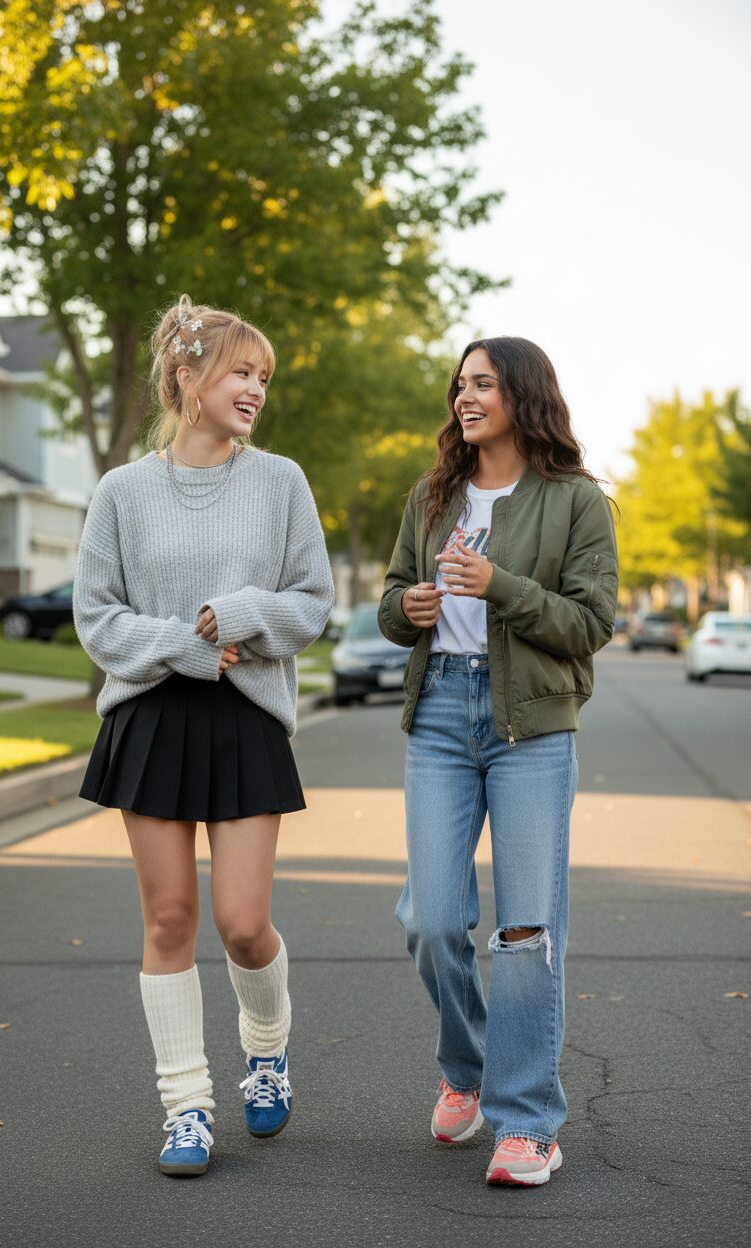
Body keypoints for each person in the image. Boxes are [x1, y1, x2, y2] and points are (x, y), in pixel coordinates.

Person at [73, 295, 334, 1176]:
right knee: (171, 918)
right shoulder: (122, 491)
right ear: (186, 376)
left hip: (247, 714)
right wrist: (181, 645)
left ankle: (267, 1050)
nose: (255, 388)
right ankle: (186, 1107)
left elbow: (312, 601)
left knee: (243, 923)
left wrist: (245, 613)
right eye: (240, 371)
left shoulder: (281, 481)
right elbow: (96, 615)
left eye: (263, 376)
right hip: (150, 713)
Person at [378, 336, 618, 1187]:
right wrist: (407, 608)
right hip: (441, 712)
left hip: (532, 728)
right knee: (431, 918)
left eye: (482, 383)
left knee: (525, 931)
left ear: (523, 393)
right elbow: (391, 599)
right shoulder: (433, 494)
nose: (464, 397)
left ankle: (528, 1123)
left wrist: (499, 586)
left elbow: (591, 624)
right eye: (460, 384)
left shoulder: (577, 501)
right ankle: (468, 1066)